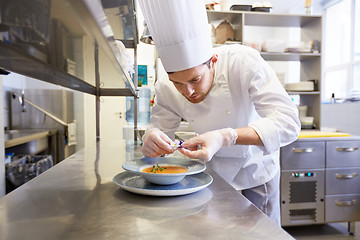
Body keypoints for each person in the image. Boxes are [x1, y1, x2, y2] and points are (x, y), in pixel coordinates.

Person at [138, 0, 300, 225]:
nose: (189, 91)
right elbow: (158, 130)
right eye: (179, 83)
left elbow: (289, 123)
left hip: (256, 171)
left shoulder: (243, 62)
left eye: (195, 79)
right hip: (212, 176)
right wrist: (151, 139)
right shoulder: (166, 85)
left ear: (212, 61)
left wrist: (227, 136)